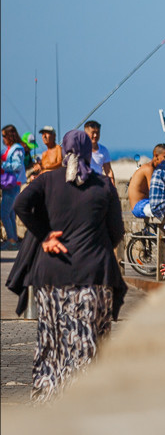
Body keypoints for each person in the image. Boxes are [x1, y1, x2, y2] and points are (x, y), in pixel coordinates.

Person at [9, 129, 127, 402]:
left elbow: (20, 204)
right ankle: (84, 400)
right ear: (88, 153)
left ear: (63, 151)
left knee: (52, 342)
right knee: (89, 343)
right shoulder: (104, 186)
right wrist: (95, 244)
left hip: (51, 275)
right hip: (94, 275)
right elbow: (117, 232)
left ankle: (48, 399)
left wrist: (45, 236)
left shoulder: (47, 180)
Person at [2, 124, 27, 248]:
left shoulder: (16, 149)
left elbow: (17, 165)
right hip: (10, 185)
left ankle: (11, 240)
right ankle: (13, 239)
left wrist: (3, 165)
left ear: (10, 136)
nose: (3, 138)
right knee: (10, 213)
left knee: (4, 213)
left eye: (4, 136)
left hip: (12, 184)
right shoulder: (12, 148)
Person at [128, 144, 165, 218]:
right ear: (156, 156)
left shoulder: (157, 170)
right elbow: (154, 192)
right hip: (139, 206)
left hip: (147, 203)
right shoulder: (149, 169)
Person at [83, 120, 116, 186]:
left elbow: (108, 171)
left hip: (98, 185)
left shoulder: (103, 150)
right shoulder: (79, 149)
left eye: (97, 133)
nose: (95, 135)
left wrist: (113, 187)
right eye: (93, 133)